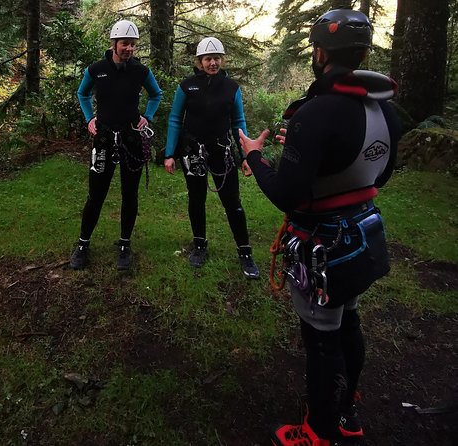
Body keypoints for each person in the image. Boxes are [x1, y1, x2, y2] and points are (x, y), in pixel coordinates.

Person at [239, 9, 401, 446]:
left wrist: (255, 155)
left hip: (323, 246)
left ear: (320, 53)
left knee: (321, 338)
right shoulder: (387, 108)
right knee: (348, 321)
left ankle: (318, 430)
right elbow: (379, 175)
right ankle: (348, 411)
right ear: (363, 52)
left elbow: (287, 194)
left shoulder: (315, 113)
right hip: (363, 236)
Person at [69, 19, 162, 271]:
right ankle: (82, 244)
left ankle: (124, 244)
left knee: (129, 194)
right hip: (103, 139)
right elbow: (82, 93)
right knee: (96, 194)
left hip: (131, 139)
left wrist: (147, 116)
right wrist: (89, 118)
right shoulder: (97, 69)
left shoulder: (140, 71)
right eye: (124, 44)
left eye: (132, 44)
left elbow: (156, 94)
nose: (129, 48)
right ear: (114, 43)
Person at [163, 37, 259, 277]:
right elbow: (175, 119)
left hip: (222, 151)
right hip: (193, 151)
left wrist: (247, 155)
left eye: (217, 58)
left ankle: (245, 252)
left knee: (232, 201)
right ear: (199, 61)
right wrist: (169, 154)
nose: (213, 63)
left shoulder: (232, 88)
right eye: (208, 59)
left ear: (222, 59)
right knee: (196, 199)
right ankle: (199, 245)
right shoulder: (186, 87)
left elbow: (239, 121)